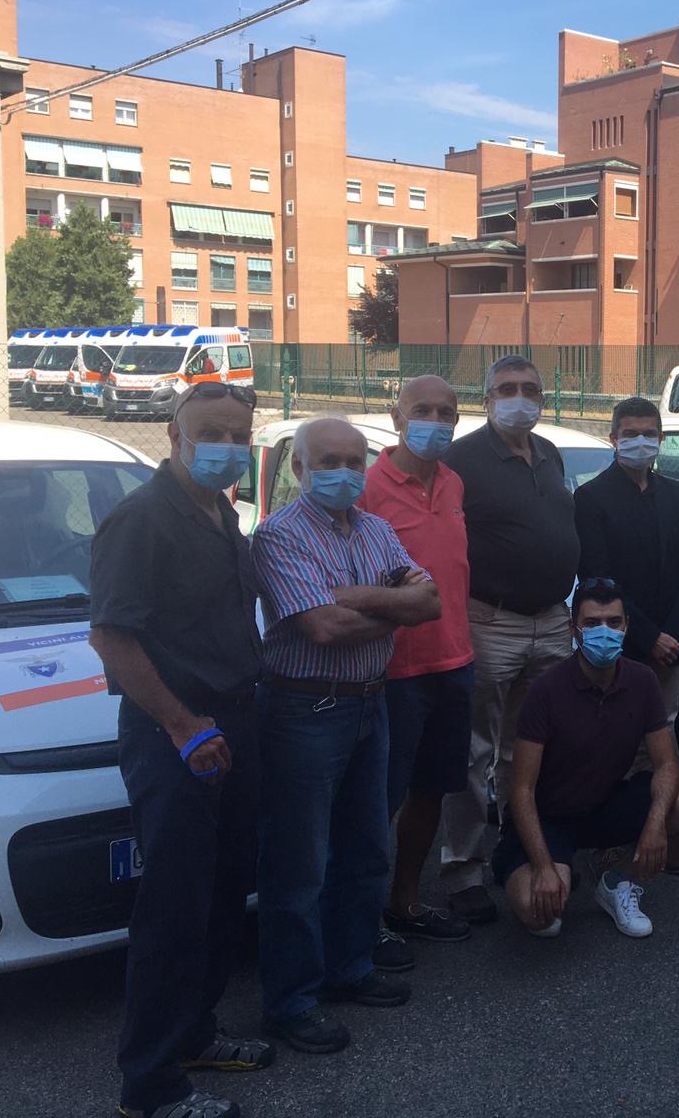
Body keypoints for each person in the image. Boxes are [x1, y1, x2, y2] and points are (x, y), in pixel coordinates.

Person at [91, 382, 269, 1118]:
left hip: (232, 727)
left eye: (237, 434)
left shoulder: (222, 513)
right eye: (210, 432)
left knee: (222, 894)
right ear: (174, 435)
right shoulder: (142, 519)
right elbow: (112, 636)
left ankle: (194, 1035)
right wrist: (180, 724)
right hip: (178, 736)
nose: (226, 446)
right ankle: (151, 1085)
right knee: (172, 909)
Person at [251, 418, 441, 1054]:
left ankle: (348, 967)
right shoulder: (279, 535)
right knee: (299, 864)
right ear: (298, 468)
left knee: (365, 849)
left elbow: (431, 602)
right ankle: (291, 1002)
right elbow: (324, 629)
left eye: (354, 461)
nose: (344, 472)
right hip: (303, 711)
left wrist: (351, 596)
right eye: (327, 461)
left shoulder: (377, 529)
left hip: (368, 704)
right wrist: (391, 610)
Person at [440, 355, 578, 921]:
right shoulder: (461, 459)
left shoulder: (549, 453)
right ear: (487, 398)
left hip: (552, 620)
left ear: (543, 397)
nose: (519, 397)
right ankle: (463, 870)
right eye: (507, 388)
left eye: (529, 388)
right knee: (475, 750)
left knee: (531, 747)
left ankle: (521, 852)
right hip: (492, 621)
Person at [497, 581, 679, 938]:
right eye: (592, 623)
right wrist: (544, 867)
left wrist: (655, 824)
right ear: (574, 630)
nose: (605, 632)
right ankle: (555, 867)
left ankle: (617, 879)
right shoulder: (546, 689)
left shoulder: (643, 680)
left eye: (614, 622)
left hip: (605, 804)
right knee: (542, 917)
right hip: (550, 816)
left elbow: (666, 764)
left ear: (627, 626)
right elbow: (521, 791)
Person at [357, 376, 475, 976]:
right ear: (396, 416)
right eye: (421, 410)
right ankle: (362, 922)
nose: (434, 420)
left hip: (454, 662)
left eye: (445, 412)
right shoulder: (367, 486)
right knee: (379, 801)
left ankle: (404, 901)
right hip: (394, 670)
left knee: (432, 790)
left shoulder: (453, 482)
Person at [574, 396, 679, 738]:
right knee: (616, 732)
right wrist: (649, 638)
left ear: (661, 439)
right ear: (614, 438)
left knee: (662, 729)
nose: (641, 441)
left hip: (671, 645)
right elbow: (597, 576)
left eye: (649, 434)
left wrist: (672, 632)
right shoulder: (591, 498)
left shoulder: (678, 496)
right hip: (620, 642)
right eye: (631, 434)